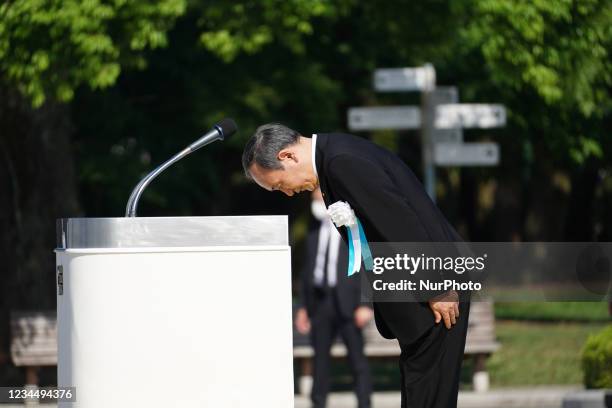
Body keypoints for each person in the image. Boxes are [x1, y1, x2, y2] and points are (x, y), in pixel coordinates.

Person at [242, 123, 471, 408]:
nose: (287, 193)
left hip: (434, 297)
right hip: (417, 299)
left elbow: (401, 223)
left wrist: (437, 287)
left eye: (279, 185)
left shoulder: (341, 162)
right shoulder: (333, 159)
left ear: (287, 156)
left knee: (430, 398)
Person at [296, 188, 373, 408]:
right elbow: (307, 269)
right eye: (313, 198)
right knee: (320, 360)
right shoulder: (313, 227)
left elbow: (368, 265)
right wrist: (303, 306)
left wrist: (366, 305)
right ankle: (318, 403)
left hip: (349, 304)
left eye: (319, 197)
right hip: (321, 302)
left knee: (357, 361)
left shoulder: (353, 228)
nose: (316, 202)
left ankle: (364, 403)